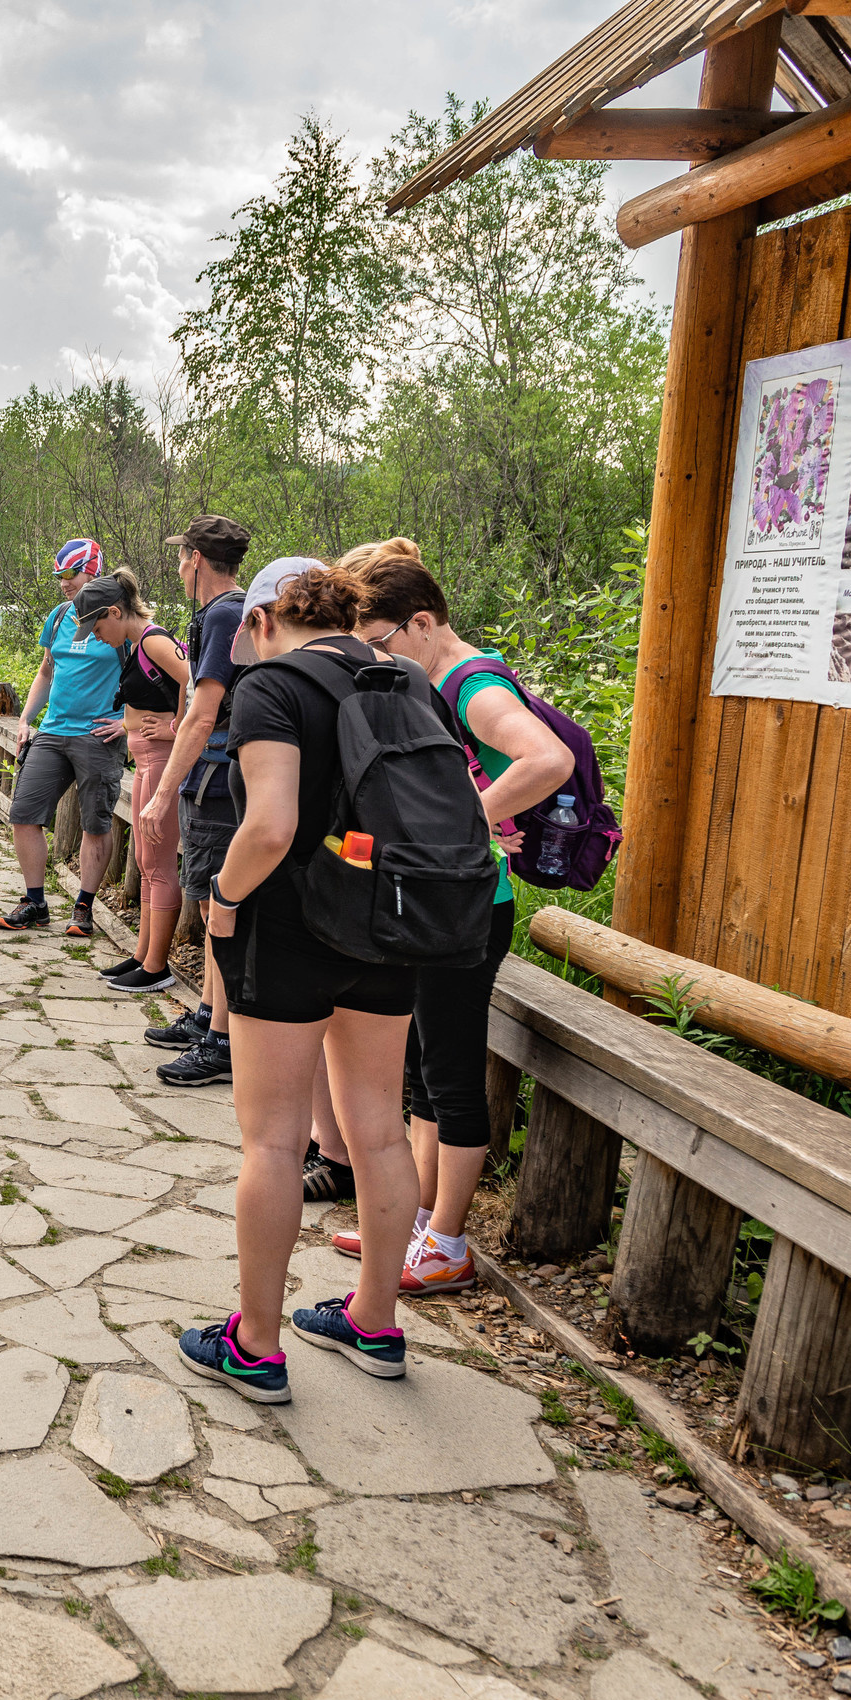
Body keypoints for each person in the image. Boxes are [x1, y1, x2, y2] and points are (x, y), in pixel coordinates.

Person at [174, 557, 423, 1403]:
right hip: (386, 923)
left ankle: (255, 1344)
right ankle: (375, 1322)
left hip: (286, 927)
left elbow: (272, 825)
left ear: (261, 621)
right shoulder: (404, 680)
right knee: (380, 1131)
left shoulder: (271, 687)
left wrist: (222, 898)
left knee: (274, 1141)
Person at [329, 540, 573, 1293]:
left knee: (453, 1074)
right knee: (425, 1069)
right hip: (444, 900)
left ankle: (450, 1244)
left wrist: (467, 823)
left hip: (469, 906)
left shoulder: (471, 682)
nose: (377, 658)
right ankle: (418, 1219)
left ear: (422, 622)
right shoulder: (439, 674)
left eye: (381, 642)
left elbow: (548, 759)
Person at [136, 514, 253, 1086]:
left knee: (220, 909)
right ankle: (209, 1016)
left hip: (219, 778)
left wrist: (161, 794)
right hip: (213, 775)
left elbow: (204, 714)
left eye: (182, 556)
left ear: (197, 558)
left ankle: (223, 1043)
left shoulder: (227, 613)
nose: (179, 566)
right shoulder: (224, 612)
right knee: (211, 905)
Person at [0, 539, 125, 934]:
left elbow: (151, 676)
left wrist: (126, 723)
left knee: (95, 824)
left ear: (93, 571)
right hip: (53, 731)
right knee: (23, 814)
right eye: (59, 576)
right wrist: (25, 719)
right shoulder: (59, 616)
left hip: (99, 735)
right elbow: (46, 671)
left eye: (71, 574)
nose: (64, 582)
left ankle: (83, 907)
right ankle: (35, 902)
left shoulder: (119, 619)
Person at [90, 573, 190, 994]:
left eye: (98, 627)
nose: (97, 637)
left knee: (159, 863)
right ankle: (143, 955)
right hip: (147, 759)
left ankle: (157, 967)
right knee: (146, 861)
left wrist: (176, 727)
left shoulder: (153, 640)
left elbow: (194, 679)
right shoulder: (138, 645)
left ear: (115, 612)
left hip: (162, 759)